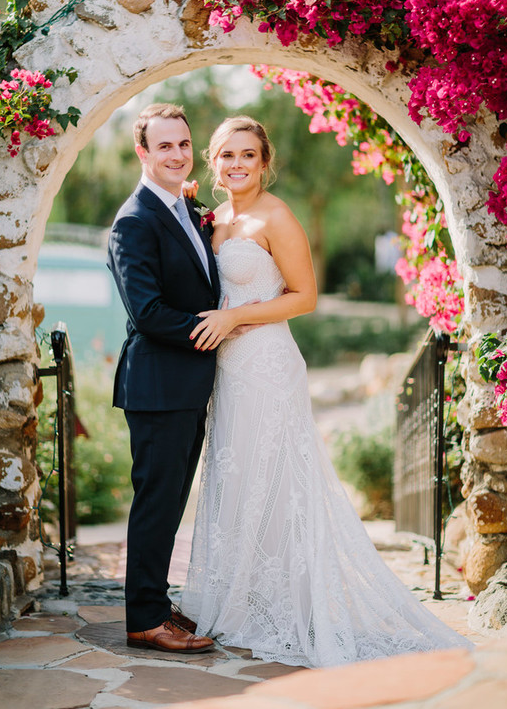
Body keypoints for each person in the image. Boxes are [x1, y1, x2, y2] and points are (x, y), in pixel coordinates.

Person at [180, 115, 473, 668]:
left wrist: (237, 314)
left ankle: (292, 604)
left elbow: (305, 295)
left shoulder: (277, 216)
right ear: (212, 163)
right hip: (227, 367)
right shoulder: (213, 217)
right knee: (236, 474)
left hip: (267, 362)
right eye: (227, 155)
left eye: (248, 154)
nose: (237, 164)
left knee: (277, 478)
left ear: (265, 161)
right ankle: (244, 601)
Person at [107, 103, 220, 654]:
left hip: (185, 385)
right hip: (157, 386)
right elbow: (147, 312)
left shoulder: (186, 208)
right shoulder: (134, 220)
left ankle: (154, 601)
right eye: (165, 146)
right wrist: (216, 327)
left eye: (183, 144)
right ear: (143, 152)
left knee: (172, 501)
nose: (177, 155)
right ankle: (144, 620)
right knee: (156, 502)